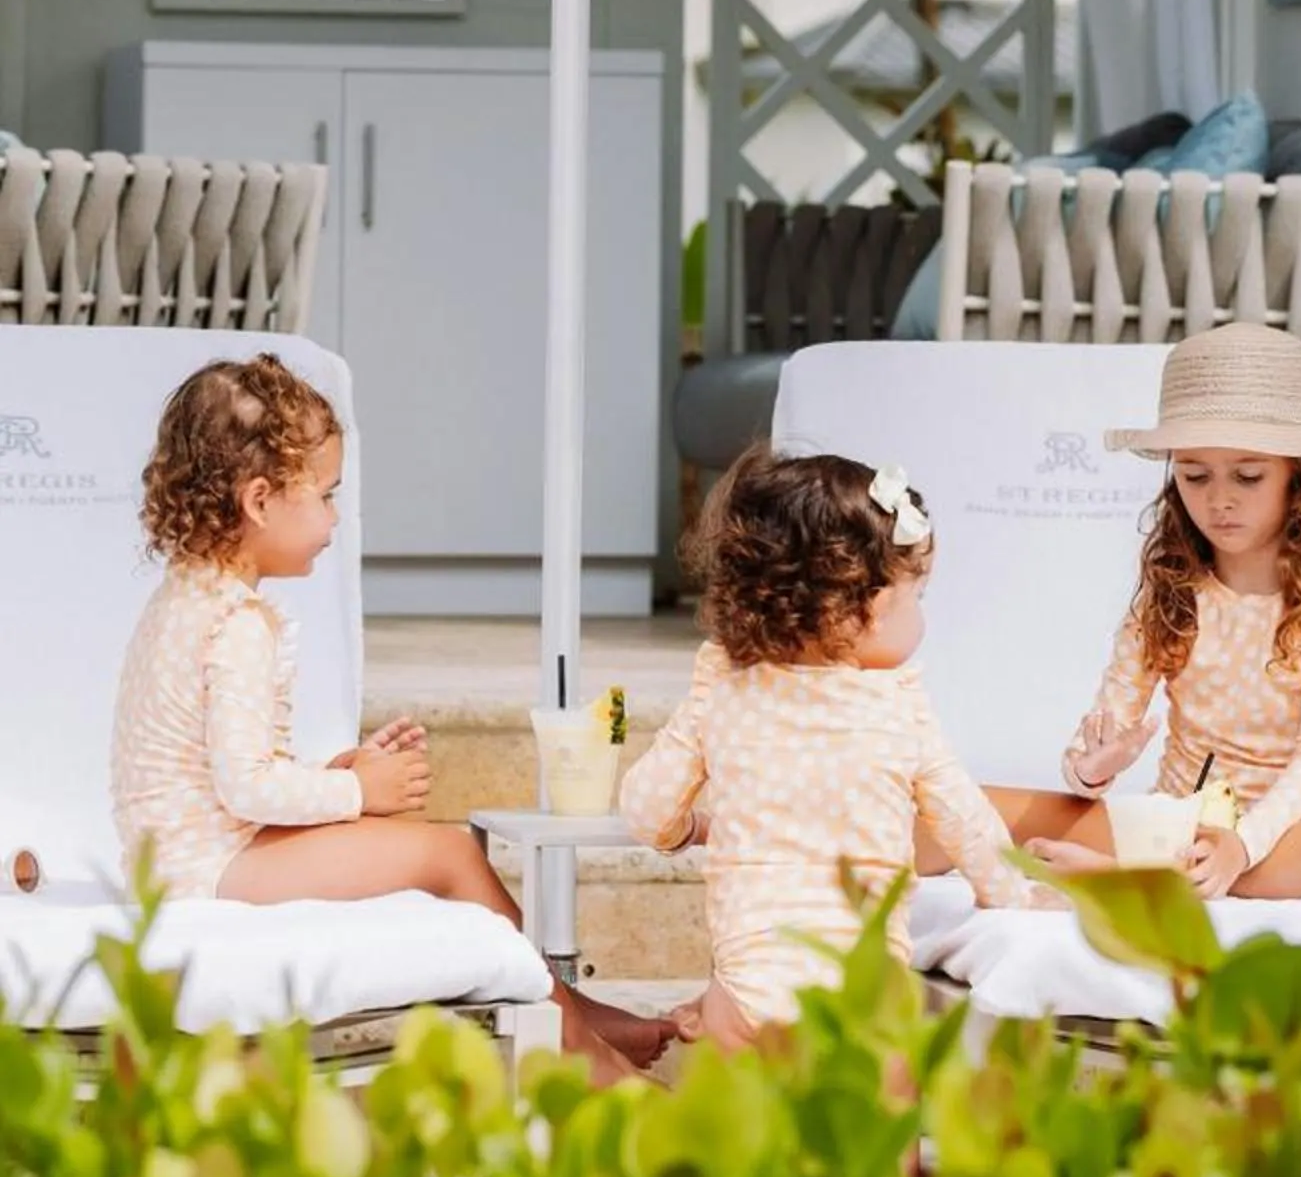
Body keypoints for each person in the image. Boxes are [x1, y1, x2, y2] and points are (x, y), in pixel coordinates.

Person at [111, 353, 662, 1079]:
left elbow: (222, 770)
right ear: (259, 501)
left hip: (191, 847)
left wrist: (335, 777)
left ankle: (566, 1010)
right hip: (205, 865)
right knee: (451, 854)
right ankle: (577, 1039)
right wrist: (359, 793)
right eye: (327, 496)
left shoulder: (190, 596)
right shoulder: (236, 623)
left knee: (410, 844)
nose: (337, 518)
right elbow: (244, 788)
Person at [619, 445, 1050, 1050]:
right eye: (916, 600)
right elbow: (970, 829)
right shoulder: (899, 706)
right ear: (865, 611)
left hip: (749, 995)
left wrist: (689, 829)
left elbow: (644, 810)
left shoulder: (723, 686)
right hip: (868, 994)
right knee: (883, 1139)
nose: (921, 620)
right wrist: (1015, 897)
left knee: (750, 1142)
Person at [1011, 325, 1301, 903]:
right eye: (1195, 475)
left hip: (1283, 836)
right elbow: (1098, 739)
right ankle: (1168, 872)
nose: (1219, 499)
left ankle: (1131, 881)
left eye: (1248, 476)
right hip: (1169, 828)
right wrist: (1093, 768)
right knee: (973, 806)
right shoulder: (1172, 587)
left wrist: (1240, 844)